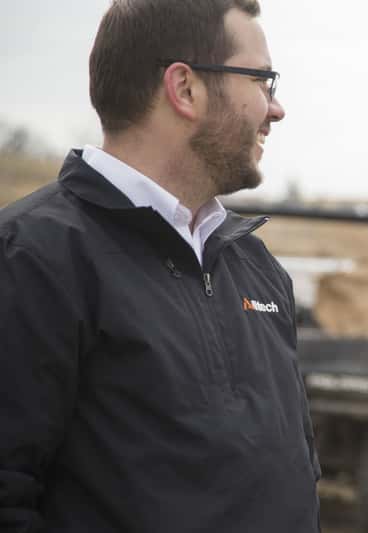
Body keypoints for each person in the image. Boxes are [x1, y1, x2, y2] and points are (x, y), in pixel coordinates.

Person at [0, 1, 321, 532]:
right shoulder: (28, 257)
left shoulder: (257, 267)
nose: (277, 108)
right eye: (262, 80)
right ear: (185, 88)